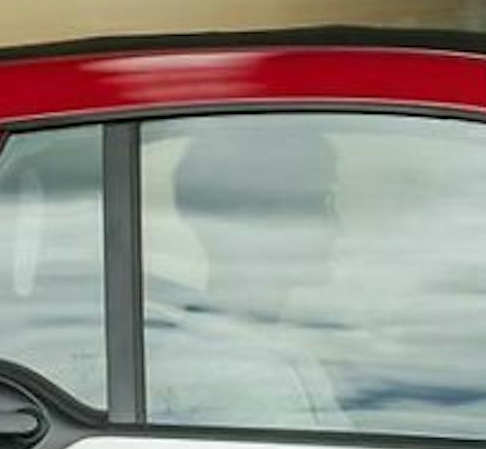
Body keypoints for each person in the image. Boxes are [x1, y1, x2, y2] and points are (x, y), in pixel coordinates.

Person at [145, 119, 355, 432]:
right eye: (320, 202)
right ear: (250, 221)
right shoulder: (240, 375)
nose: (338, 228)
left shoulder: (268, 350)